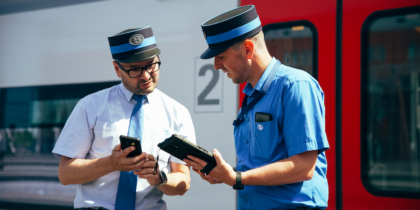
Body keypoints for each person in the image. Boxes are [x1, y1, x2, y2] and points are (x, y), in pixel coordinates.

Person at [184, 5, 329, 210]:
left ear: (248, 49)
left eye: (221, 56)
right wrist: (225, 174)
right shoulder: (253, 94)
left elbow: (304, 167)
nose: (216, 65)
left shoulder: (296, 85)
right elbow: (265, 165)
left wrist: (237, 178)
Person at [52, 26, 196, 210]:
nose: (145, 76)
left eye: (151, 65)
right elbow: (65, 174)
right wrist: (111, 164)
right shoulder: (90, 106)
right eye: (134, 69)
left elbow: (183, 181)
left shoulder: (177, 113)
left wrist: (159, 177)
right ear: (117, 69)